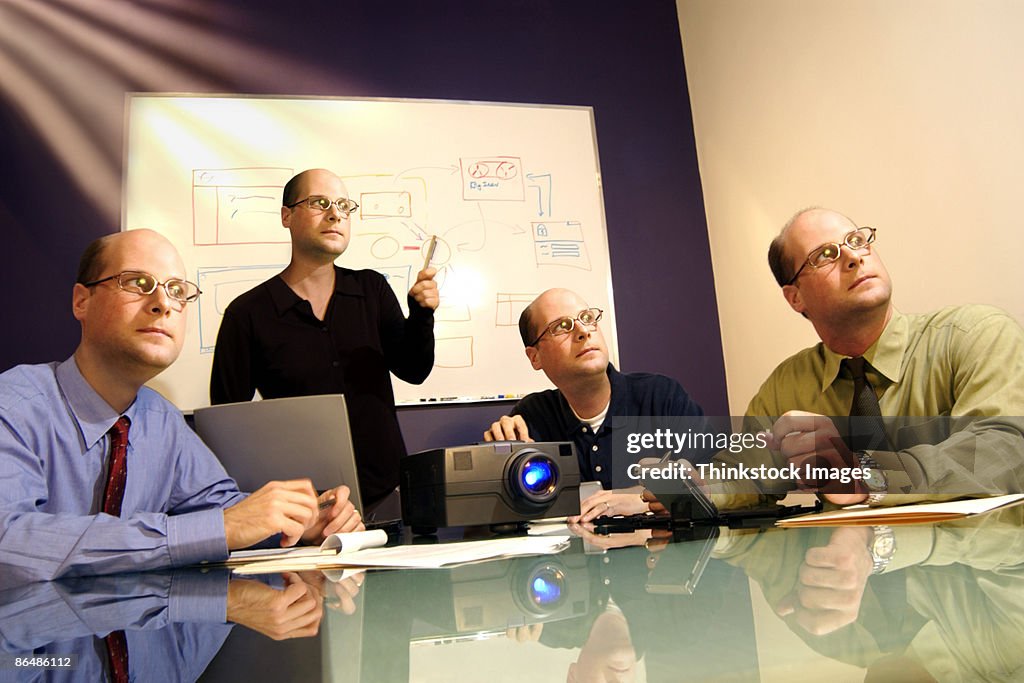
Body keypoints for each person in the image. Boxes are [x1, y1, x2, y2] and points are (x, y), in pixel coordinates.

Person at [0, 230, 363, 582]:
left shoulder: (162, 420)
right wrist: (218, 529)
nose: (162, 304)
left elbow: (220, 510)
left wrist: (298, 521)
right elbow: (9, 542)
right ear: (82, 301)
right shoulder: (13, 406)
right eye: (138, 283)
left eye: (177, 291)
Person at [720, 207, 1024, 504]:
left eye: (856, 240)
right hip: (840, 550)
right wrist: (693, 491)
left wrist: (866, 474)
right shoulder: (785, 388)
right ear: (795, 297)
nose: (854, 256)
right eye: (825, 255)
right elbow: (744, 473)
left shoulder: (975, 335)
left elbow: (1007, 449)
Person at [210, 169, 438, 509]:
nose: (334, 214)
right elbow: (228, 423)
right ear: (287, 216)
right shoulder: (248, 314)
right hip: (303, 511)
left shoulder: (371, 290)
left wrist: (421, 314)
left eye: (344, 206)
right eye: (319, 203)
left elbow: (414, 370)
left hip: (389, 497)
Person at [484, 288, 708, 521]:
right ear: (535, 357)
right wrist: (499, 455)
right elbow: (507, 515)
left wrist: (642, 499)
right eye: (561, 326)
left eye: (587, 318)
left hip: (663, 554)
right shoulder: (532, 418)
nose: (582, 331)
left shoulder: (661, 397)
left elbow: (719, 482)